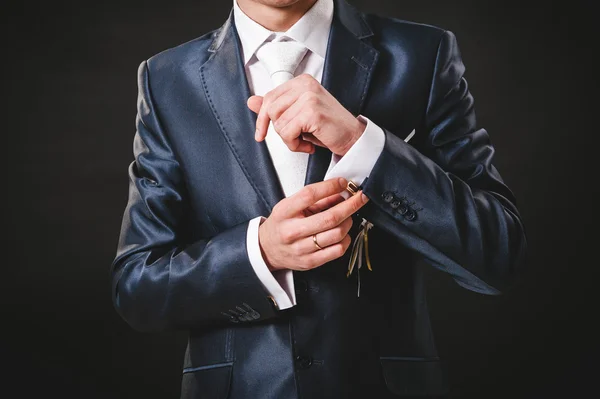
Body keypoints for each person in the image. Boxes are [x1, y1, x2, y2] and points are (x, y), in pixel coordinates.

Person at [110, 0, 527, 397]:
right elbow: (137, 287)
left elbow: (499, 253)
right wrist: (261, 253)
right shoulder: (165, 78)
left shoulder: (423, 54)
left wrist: (361, 143)